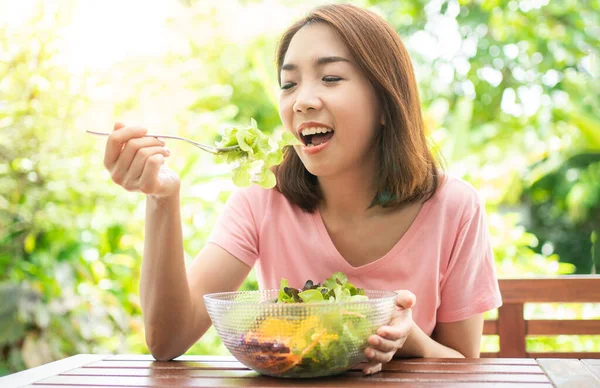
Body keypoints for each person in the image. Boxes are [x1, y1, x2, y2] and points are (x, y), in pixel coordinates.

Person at [103, 3, 502, 376]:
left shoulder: (454, 207)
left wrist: (410, 341)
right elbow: (167, 340)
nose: (302, 102)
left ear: (385, 102)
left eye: (330, 78)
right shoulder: (262, 198)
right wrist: (161, 197)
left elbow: (464, 366)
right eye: (288, 83)